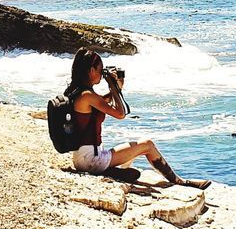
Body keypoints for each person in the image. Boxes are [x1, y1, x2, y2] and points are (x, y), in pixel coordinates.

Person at [59, 48, 209, 189]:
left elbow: (103, 103)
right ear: (91, 71)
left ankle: (114, 172)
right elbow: (120, 113)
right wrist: (112, 86)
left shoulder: (77, 92)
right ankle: (180, 182)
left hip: (83, 157)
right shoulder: (87, 95)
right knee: (147, 145)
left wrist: (117, 88)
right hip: (92, 160)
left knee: (132, 160)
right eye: (100, 69)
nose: (102, 73)